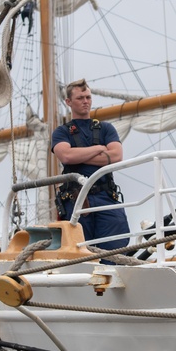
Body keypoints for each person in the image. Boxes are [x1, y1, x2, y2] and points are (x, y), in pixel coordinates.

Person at [51, 79, 131, 248]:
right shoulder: (61, 132)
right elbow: (65, 156)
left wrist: (78, 155)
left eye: (88, 97)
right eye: (80, 98)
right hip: (76, 198)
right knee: (79, 246)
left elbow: (116, 156)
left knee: (115, 244)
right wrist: (99, 149)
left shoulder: (106, 129)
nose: (86, 101)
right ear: (68, 102)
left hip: (105, 196)